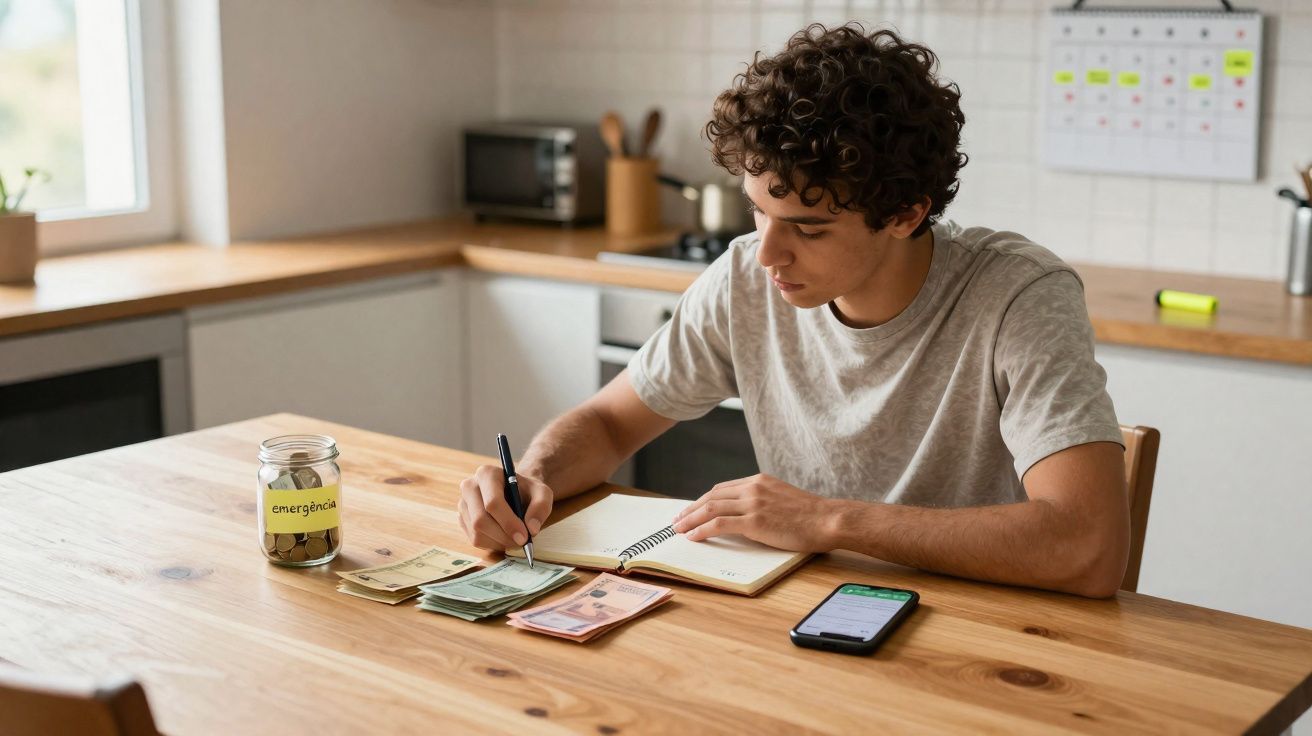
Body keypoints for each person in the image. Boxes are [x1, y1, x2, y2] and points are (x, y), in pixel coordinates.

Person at [457, 24, 1130, 598]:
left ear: (905, 214)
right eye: (758, 210)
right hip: (797, 607)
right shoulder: (742, 279)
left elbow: (1088, 545)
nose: (766, 254)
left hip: (978, 627)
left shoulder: (1018, 297)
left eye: (808, 229)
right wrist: (530, 481)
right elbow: (607, 424)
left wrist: (828, 521)